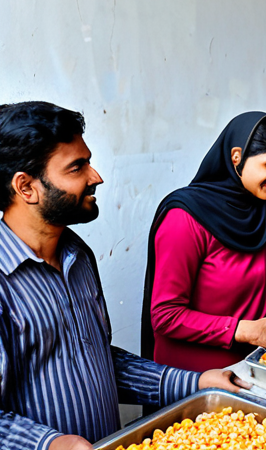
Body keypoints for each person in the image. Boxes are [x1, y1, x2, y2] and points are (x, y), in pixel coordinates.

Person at [0, 102, 248, 450]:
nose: (95, 177)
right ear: (26, 187)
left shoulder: (78, 258)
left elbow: (100, 360)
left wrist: (197, 382)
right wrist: (49, 443)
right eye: (77, 167)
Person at [142, 112, 266, 372]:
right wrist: (248, 330)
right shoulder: (185, 218)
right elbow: (166, 316)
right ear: (236, 157)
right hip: (204, 378)